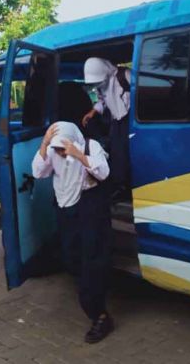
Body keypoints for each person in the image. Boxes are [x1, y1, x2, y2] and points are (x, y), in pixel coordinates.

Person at [32, 121, 114, 343]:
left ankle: (100, 315)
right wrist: (46, 142)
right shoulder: (51, 150)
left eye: (61, 147)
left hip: (90, 209)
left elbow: (104, 173)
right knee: (71, 257)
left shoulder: (90, 146)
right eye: (56, 148)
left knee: (92, 260)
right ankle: (94, 288)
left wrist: (78, 154)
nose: (59, 152)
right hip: (66, 208)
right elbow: (38, 171)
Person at [81, 57, 131, 200]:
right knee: (117, 154)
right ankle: (120, 187)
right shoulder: (101, 84)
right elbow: (102, 101)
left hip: (130, 120)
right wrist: (92, 112)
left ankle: (127, 186)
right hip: (117, 121)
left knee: (128, 153)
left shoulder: (124, 75)